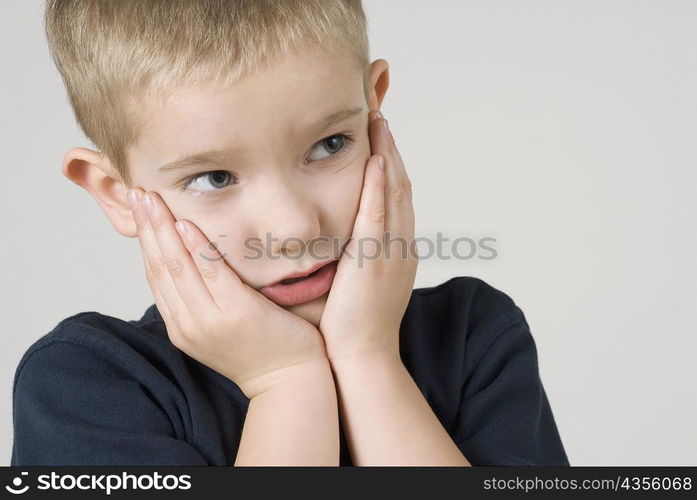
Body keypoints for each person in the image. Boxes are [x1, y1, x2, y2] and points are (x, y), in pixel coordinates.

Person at [11, 0, 569, 466]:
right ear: (116, 194)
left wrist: (368, 356)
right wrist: (286, 381)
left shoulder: (476, 338)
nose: (295, 228)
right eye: (214, 177)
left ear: (373, 105)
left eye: (330, 145)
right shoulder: (88, 387)